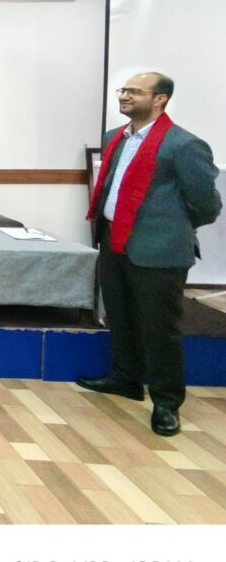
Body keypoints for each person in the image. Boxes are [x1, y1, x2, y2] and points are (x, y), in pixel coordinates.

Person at [78, 72, 221, 437]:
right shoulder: (115, 137)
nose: (124, 96)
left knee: (161, 328)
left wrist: (169, 228)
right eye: (123, 90)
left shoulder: (184, 145)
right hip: (114, 241)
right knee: (121, 315)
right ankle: (125, 378)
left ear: (160, 100)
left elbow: (207, 204)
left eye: (134, 92)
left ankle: (167, 402)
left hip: (159, 251)